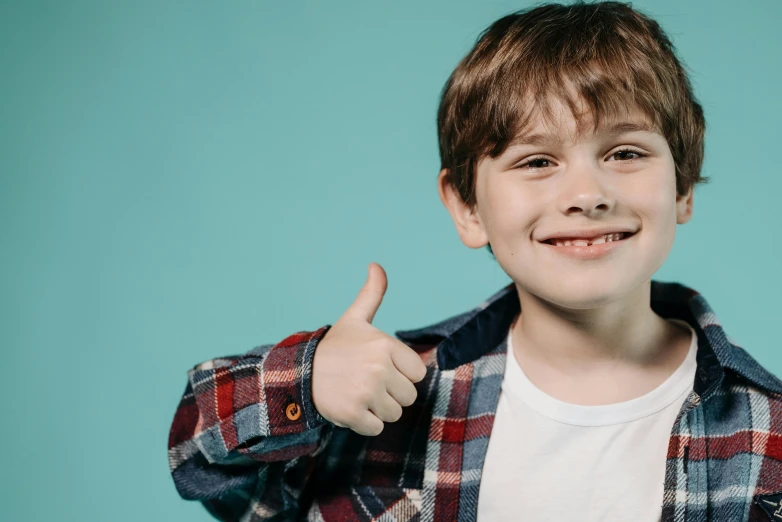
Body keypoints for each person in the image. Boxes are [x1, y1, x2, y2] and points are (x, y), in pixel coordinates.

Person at [167, 2, 782, 521]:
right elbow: (196, 460)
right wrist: (307, 382)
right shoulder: (388, 397)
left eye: (624, 153)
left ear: (682, 189)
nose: (588, 194)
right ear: (467, 207)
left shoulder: (768, 434)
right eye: (537, 161)